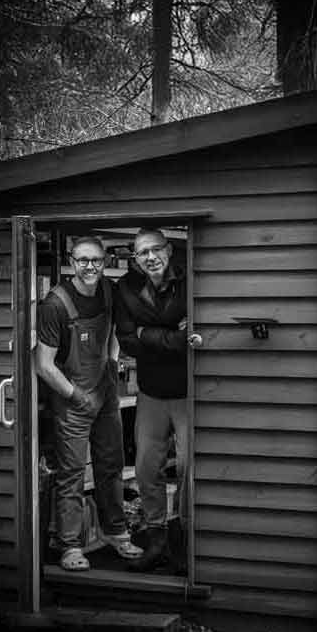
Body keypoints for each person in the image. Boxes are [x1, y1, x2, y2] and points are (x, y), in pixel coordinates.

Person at [35, 234, 144, 571]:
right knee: (71, 474)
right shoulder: (55, 304)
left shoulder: (108, 291)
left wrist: (112, 364)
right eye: (83, 260)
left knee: (111, 464)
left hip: (105, 391)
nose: (90, 266)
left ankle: (116, 532)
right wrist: (76, 396)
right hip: (71, 398)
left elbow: (112, 331)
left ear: (105, 260)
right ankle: (69, 545)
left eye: (96, 260)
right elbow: (43, 365)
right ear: (72, 261)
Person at [114, 227, 202, 573]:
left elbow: (188, 333)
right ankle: (156, 541)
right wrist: (173, 337)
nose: (150, 257)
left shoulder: (189, 280)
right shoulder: (125, 287)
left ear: (168, 251)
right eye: (142, 253)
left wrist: (145, 333)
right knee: (146, 469)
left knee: (187, 469)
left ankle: (183, 541)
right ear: (135, 258)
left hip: (186, 391)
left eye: (156, 250)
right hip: (150, 392)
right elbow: (126, 340)